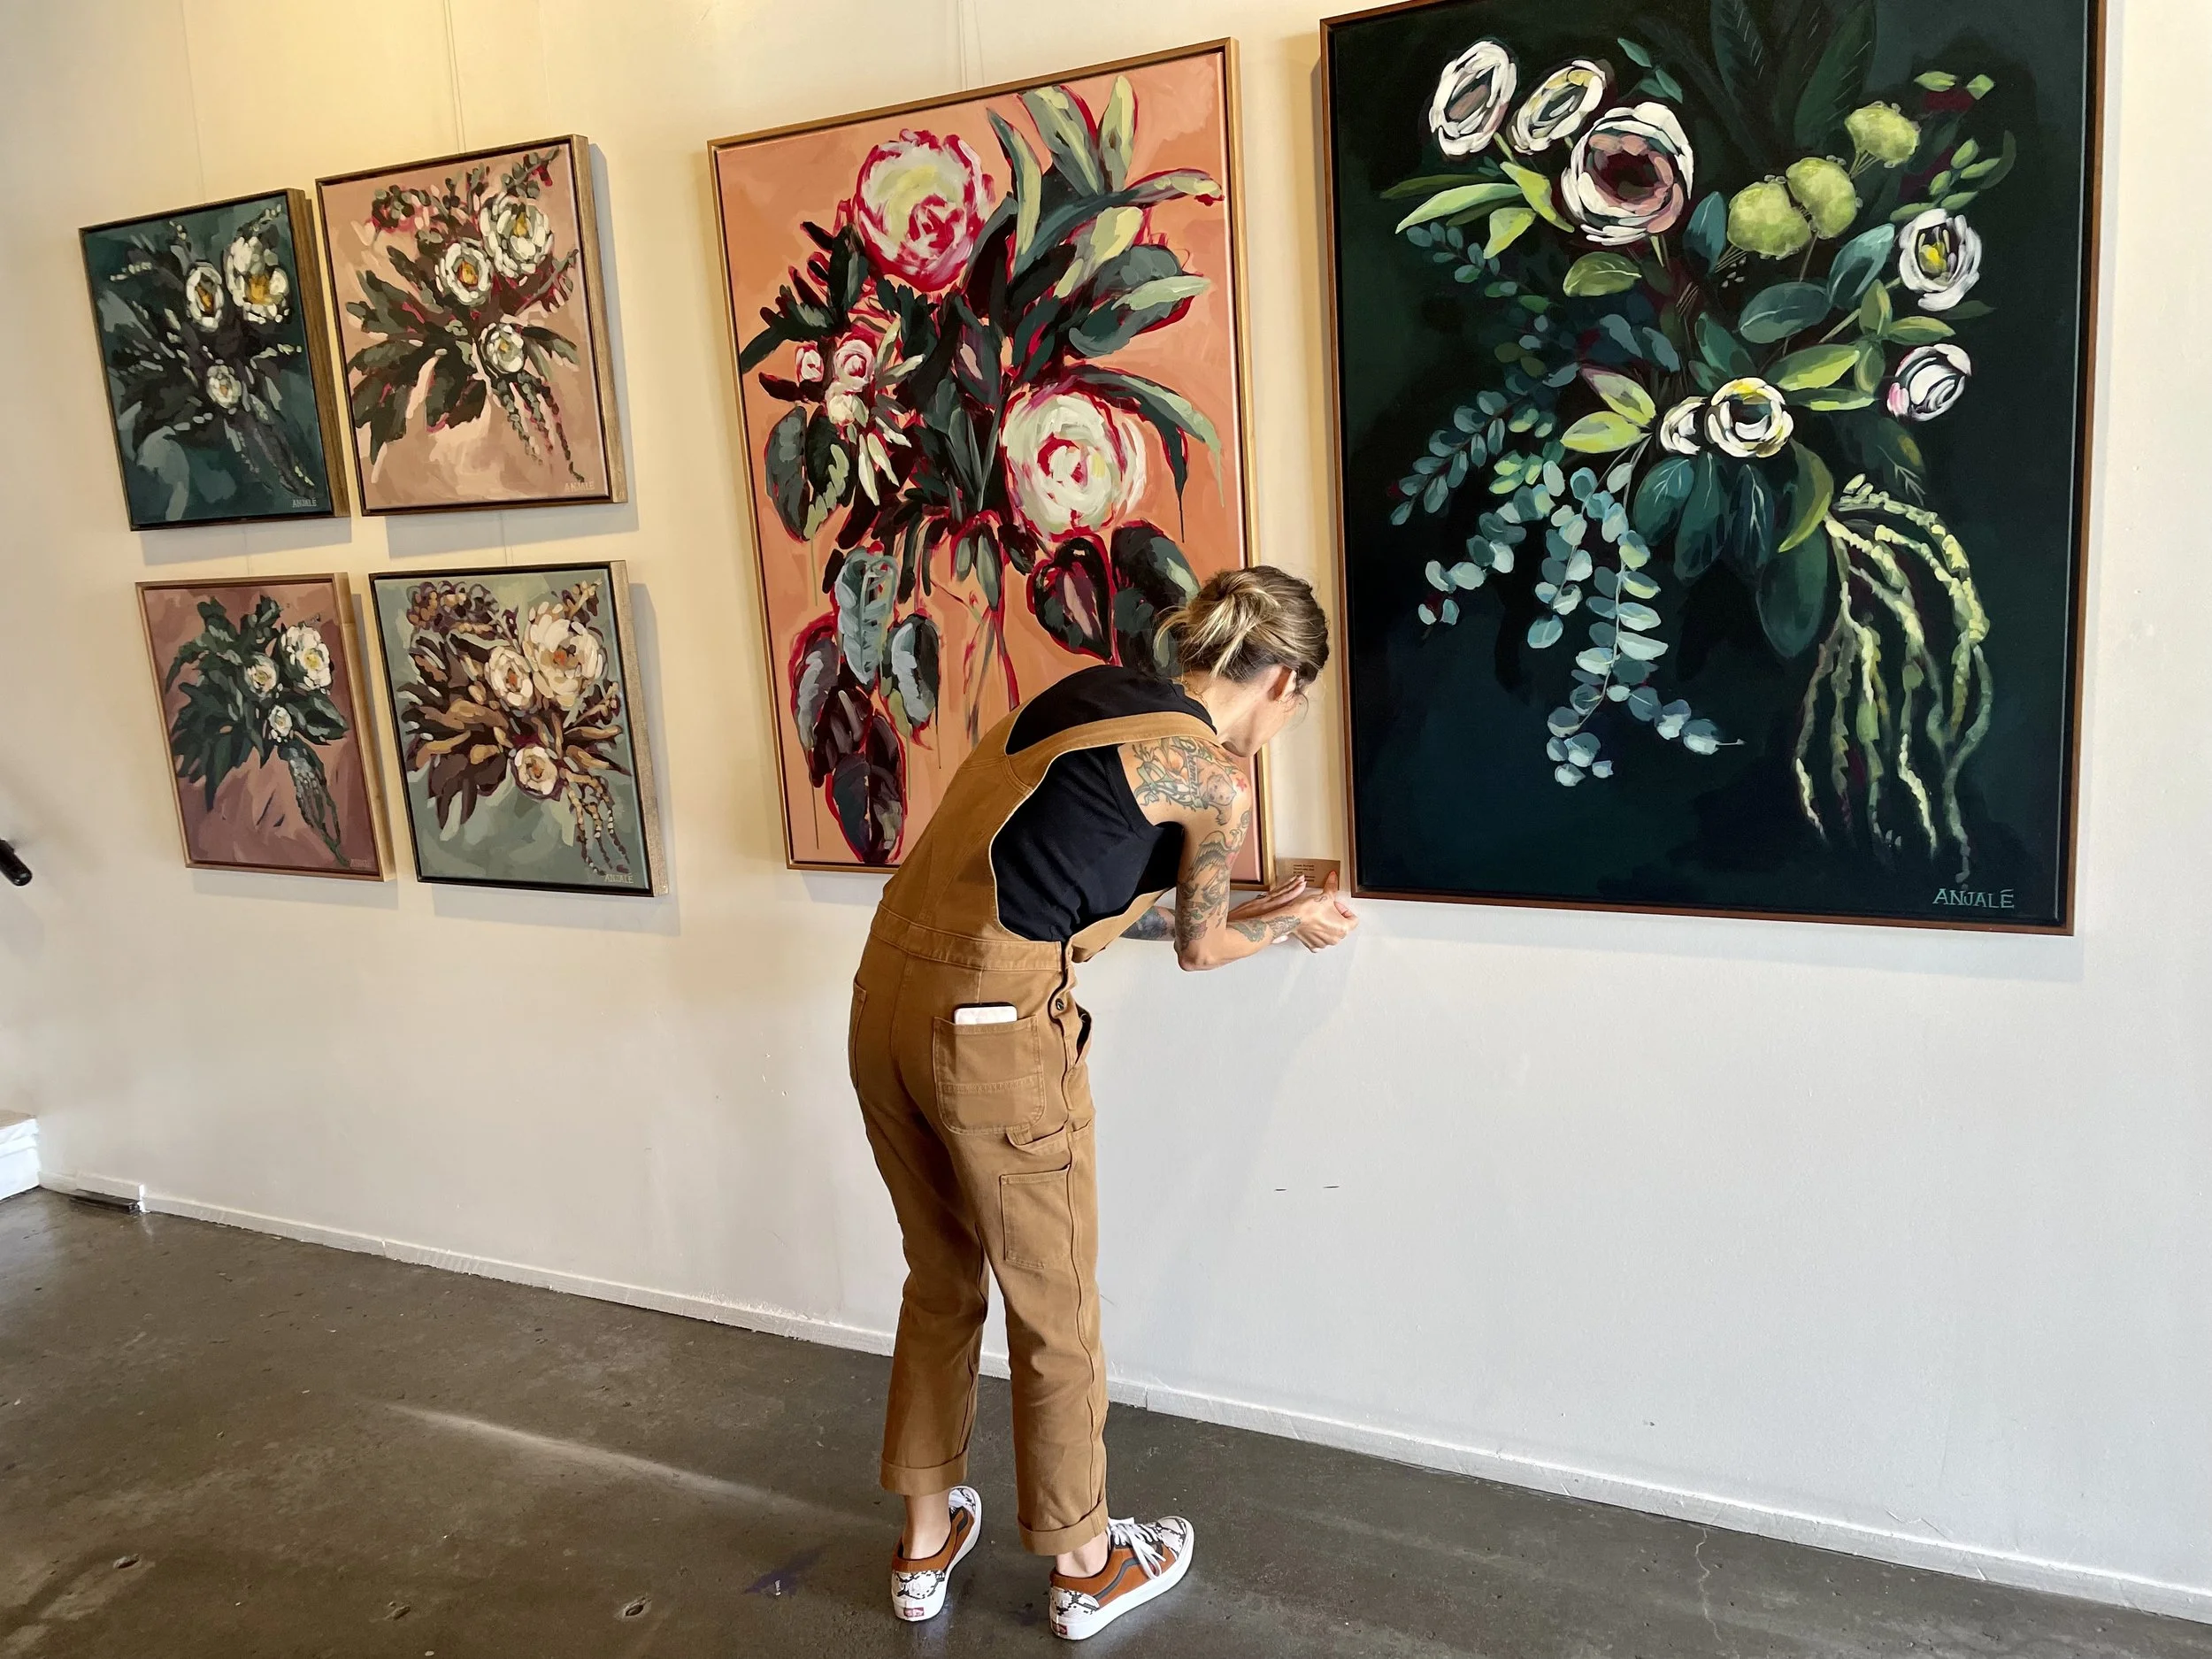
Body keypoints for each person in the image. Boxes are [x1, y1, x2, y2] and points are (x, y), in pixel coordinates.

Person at [846, 565, 1358, 1640]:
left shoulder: (1083, 695)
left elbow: (1065, 879)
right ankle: (1086, 1565)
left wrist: (1253, 904)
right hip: (993, 1035)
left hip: (885, 996)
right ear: (1283, 682)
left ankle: (925, 1545)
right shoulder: (1211, 780)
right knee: (1055, 1312)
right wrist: (1291, 920)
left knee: (940, 1276)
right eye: (1298, 702)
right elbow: (1200, 949)